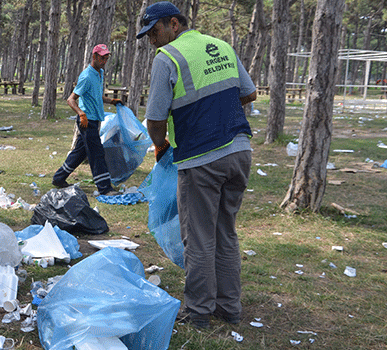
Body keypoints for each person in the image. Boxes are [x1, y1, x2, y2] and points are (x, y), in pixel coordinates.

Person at [137, 1, 257, 329]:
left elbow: (156, 118)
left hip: (202, 159)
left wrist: (161, 144)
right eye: (147, 35)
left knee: (199, 236)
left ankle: (199, 313)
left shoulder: (168, 58)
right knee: (225, 233)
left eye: (154, 31)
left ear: (174, 24)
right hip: (239, 151)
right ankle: (229, 308)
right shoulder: (221, 46)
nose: (151, 40)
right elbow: (249, 94)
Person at [52, 44, 122, 196]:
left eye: (106, 58)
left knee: (79, 153)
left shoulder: (99, 73)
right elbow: (71, 99)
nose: (104, 61)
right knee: (97, 154)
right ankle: (105, 188)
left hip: (95, 120)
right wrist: (81, 114)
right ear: (94, 57)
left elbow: (96, 96)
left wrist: (111, 101)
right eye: (102, 58)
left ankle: (58, 178)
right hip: (87, 121)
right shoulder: (86, 76)